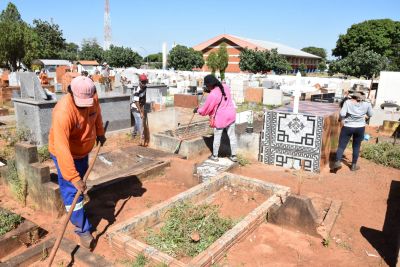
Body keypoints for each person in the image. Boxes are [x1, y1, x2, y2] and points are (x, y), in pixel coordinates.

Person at [48, 76, 106, 249]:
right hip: (65, 154)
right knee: (72, 190)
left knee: (81, 187)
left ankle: (79, 203)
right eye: (81, 102)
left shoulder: (92, 98)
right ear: (70, 93)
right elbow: (62, 148)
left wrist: (100, 133)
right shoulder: (63, 112)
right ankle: (82, 229)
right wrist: (73, 177)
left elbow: (97, 116)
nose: (85, 106)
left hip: (83, 151)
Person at [194, 75, 237, 162]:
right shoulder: (225, 87)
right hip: (231, 115)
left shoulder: (213, 95)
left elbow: (206, 109)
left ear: (210, 85)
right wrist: (210, 91)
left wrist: (197, 110)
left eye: (207, 85)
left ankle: (215, 156)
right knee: (232, 136)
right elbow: (220, 94)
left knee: (217, 137)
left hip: (221, 118)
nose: (207, 87)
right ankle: (234, 156)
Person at [333, 91, 373, 171]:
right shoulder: (367, 104)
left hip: (348, 126)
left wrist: (342, 119)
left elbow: (342, 114)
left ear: (353, 96)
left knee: (342, 145)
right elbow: (370, 114)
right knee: (356, 146)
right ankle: (353, 165)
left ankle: (337, 162)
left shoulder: (348, 102)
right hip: (360, 127)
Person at [131, 74, 149, 146]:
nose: (144, 83)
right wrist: (140, 112)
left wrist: (143, 109)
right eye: (143, 82)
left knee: (137, 121)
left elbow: (143, 99)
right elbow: (136, 102)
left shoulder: (145, 88)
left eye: (145, 82)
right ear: (139, 82)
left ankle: (133, 134)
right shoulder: (137, 90)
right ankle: (141, 140)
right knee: (140, 122)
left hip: (140, 106)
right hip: (135, 107)